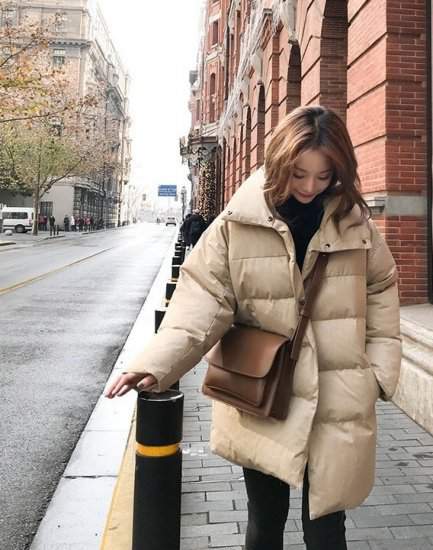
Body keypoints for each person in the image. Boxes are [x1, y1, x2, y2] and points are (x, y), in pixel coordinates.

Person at [105, 106, 401, 550]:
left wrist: (378, 374)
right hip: (264, 395)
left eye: (324, 176)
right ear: (280, 162)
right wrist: (156, 363)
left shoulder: (355, 225)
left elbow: (382, 288)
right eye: (299, 174)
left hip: (338, 397)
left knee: (327, 530)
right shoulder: (237, 223)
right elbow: (203, 298)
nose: (310, 187)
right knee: (265, 522)